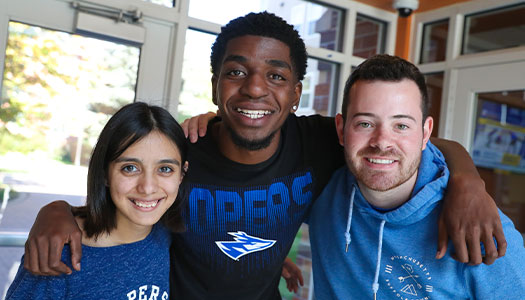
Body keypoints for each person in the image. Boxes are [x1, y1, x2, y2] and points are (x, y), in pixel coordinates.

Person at [23, 12, 505, 299]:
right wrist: (57, 211)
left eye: (276, 76)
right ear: (215, 86)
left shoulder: (321, 140)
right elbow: (128, 192)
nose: (255, 88)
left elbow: (400, 140)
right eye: (236, 72)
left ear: (296, 93)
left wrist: (467, 181)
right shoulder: (183, 149)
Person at [308, 54, 525, 299]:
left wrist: (468, 181)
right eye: (365, 124)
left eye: (401, 126)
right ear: (341, 129)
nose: (382, 143)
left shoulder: (482, 229)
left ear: (425, 133)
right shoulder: (320, 186)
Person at [7, 102, 188, 299]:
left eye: (165, 169)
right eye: (130, 168)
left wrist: (56, 209)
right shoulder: (59, 255)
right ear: (104, 174)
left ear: (181, 174)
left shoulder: (169, 233)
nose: (148, 187)